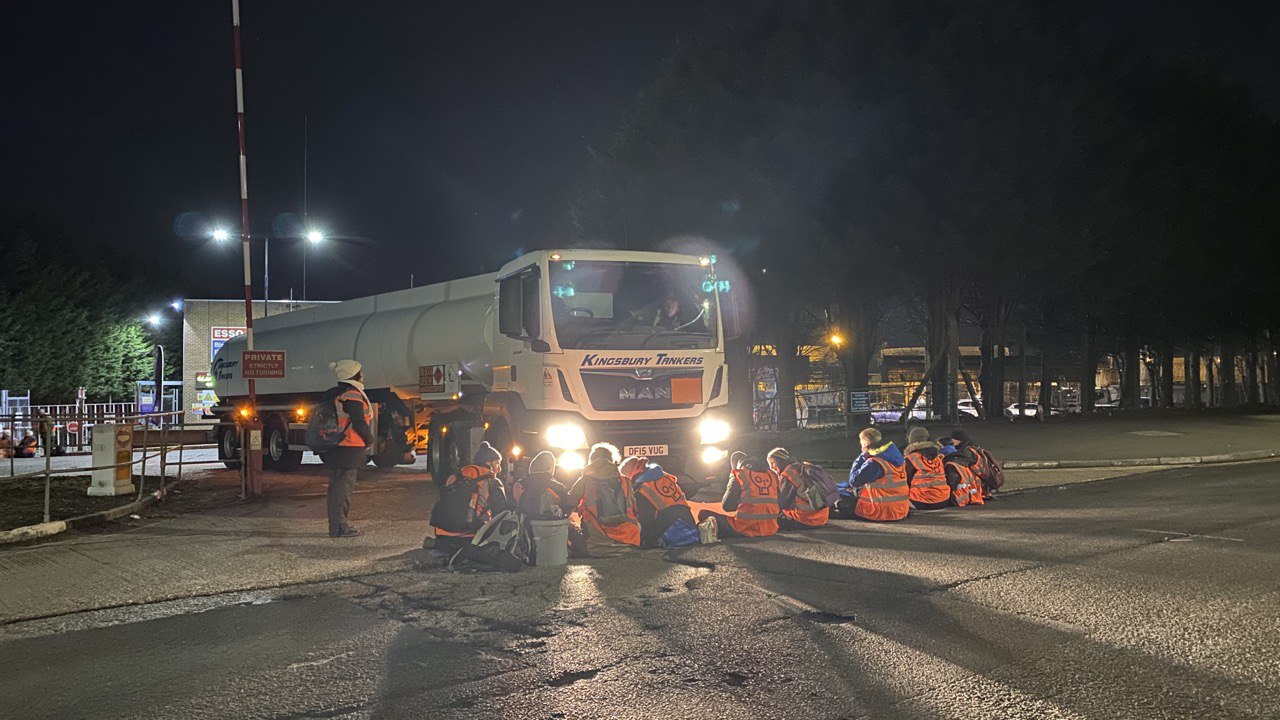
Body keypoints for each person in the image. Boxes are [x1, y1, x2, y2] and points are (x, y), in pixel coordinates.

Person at [321, 359, 374, 538]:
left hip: (336, 446)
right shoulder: (353, 395)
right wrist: (369, 438)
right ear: (354, 375)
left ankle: (336, 526)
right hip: (349, 447)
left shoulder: (335, 393)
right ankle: (340, 528)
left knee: (335, 489)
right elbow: (359, 422)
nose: (363, 375)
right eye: (360, 372)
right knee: (343, 491)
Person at [430, 441, 510, 554]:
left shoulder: (458, 474)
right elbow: (501, 511)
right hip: (468, 535)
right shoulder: (492, 481)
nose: (499, 469)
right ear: (488, 463)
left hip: (441, 534)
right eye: (497, 463)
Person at [566, 443, 640, 556]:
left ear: (592, 461)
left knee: (567, 525)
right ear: (612, 461)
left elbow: (569, 502)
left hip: (595, 547)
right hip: (627, 544)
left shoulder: (586, 480)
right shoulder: (625, 481)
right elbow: (636, 510)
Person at [696, 451, 780, 538]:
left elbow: (727, 506)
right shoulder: (772, 475)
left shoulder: (740, 473)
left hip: (743, 528)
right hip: (770, 529)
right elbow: (780, 504)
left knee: (703, 513)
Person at [836, 427, 910, 522]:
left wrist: (862, 456)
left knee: (835, 493)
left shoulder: (875, 463)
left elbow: (854, 481)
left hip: (880, 510)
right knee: (844, 486)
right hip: (899, 509)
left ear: (866, 444)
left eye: (861, 443)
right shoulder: (895, 457)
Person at [624, 456, 698, 547]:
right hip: (689, 526)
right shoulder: (664, 477)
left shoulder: (643, 489)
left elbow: (647, 521)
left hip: (672, 531)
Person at [767, 447, 829, 529]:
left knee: (768, 519)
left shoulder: (788, 474)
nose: (771, 467)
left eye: (773, 463)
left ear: (780, 461)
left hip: (803, 520)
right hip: (821, 518)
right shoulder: (803, 467)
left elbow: (783, 503)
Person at [902, 427, 953, 510]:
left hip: (922, 502)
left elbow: (905, 481)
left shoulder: (911, 458)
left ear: (911, 441)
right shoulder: (939, 457)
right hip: (944, 500)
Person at [512, 450, 570, 519]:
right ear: (550, 468)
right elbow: (567, 509)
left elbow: (511, 507)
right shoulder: (558, 487)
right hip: (551, 528)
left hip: (524, 527)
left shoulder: (519, 485)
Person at [941, 430, 984, 506]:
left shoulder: (952, 461)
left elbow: (952, 484)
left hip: (958, 499)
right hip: (972, 495)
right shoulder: (963, 455)